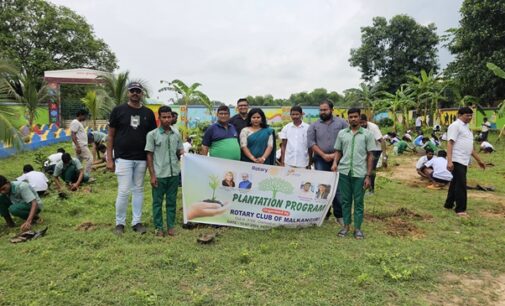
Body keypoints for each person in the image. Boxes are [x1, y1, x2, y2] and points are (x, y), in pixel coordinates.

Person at [107, 82, 157, 235]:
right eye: (132, 91)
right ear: (128, 93)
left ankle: (137, 222)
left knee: (139, 191)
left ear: (142, 93)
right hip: (123, 159)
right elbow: (110, 135)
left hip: (141, 159)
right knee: (123, 191)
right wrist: (109, 158)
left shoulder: (148, 113)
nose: (135, 93)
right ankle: (120, 224)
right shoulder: (118, 111)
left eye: (138, 91)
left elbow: (153, 138)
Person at [331, 108, 374, 240]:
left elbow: (370, 155)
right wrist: (334, 163)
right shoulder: (342, 133)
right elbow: (338, 150)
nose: (353, 119)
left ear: (359, 118)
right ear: (348, 119)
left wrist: (368, 175)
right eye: (351, 117)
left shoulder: (367, 134)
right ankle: (346, 227)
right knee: (345, 201)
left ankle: (358, 229)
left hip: (360, 173)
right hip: (344, 171)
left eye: (355, 116)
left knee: (359, 202)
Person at [307, 99, 348, 224]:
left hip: (339, 159)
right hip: (321, 159)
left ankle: (339, 215)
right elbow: (311, 143)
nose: (322, 112)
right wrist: (323, 155)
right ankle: (323, 214)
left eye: (325, 109)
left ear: (332, 110)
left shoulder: (342, 123)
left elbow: (347, 140)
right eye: (321, 110)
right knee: (322, 187)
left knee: (338, 188)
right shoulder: (314, 125)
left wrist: (335, 155)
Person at [145, 106, 184, 237]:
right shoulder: (152, 135)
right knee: (157, 202)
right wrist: (152, 175)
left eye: (169, 117)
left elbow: (179, 152)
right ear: (159, 118)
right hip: (159, 174)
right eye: (164, 117)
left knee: (172, 201)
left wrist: (184, 155)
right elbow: (149, 155)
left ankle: (171, 226)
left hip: (173, 174)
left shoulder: (177, 133)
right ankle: (158, 228)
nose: (167, 120)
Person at [445, 107, 486, 216]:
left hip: (464, 159)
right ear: (459, 115)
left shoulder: (467, 128)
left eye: (470, 115)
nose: (469, 117)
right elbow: (450, 143)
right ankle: (460, 210)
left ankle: (448, 204)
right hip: (456, 159)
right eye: (467, 115)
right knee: (461, 184)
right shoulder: (455, 126)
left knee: (455, 182)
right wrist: (449, 161)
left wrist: (479, 160)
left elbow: (470, 147)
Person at [360, 114, 387, 194]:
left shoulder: (373, 127)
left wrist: (384, 156)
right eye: (360, 123)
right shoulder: (359, 127)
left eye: (363, 123)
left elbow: (382, 141)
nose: (361, 125)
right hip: (366, 149)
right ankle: (364, 187)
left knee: (371, 169)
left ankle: (371, 190)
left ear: (366, 121)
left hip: (376, 149)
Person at [70, 109, 93, 177]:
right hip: (80, 145)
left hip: (80, 145)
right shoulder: (75, 122)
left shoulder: (79, 123)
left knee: (78, 162)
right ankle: (86, 175)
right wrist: (78, 146)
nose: (86, 118)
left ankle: (76, 176)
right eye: (85, 116)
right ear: (80, 115)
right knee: (90, 158)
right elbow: (73, 134)